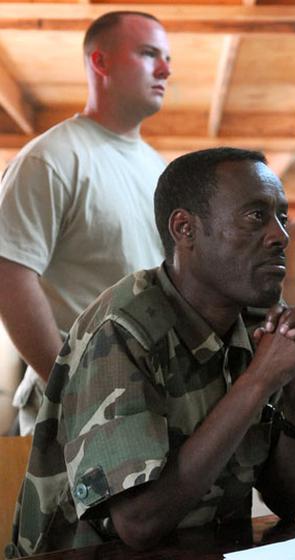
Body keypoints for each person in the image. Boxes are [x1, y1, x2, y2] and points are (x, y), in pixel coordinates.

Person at [7, 147, 295, 558]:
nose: (280, 235)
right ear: (184, 228)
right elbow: (139, 524)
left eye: (282, 217)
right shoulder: (122, 330)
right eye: (256, 216)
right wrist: (259, 380)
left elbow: (289, 500)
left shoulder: (256, 321)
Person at [0, 11, 171, 435]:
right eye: (149, 54)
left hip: (146, 400)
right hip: (72, 415)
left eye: (166, 57)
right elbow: (9, 275)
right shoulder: (52, 159)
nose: (166, 69)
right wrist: (72, 390)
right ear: (101, 62)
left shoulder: (158, 168)